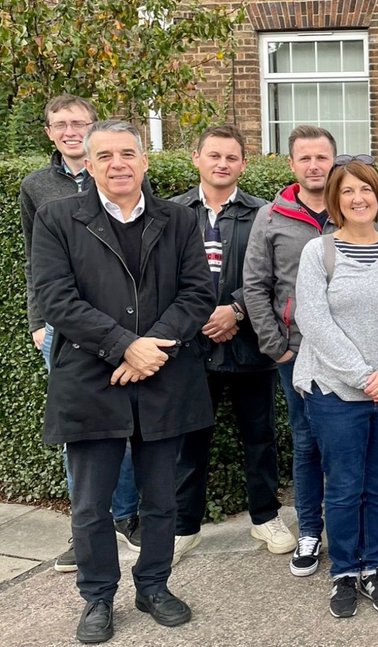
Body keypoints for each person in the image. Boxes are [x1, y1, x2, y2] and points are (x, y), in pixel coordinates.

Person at [31, 120, 214, 644]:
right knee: (91, 504)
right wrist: (123, 345)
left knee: (161, 499)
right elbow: (56, 299)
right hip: (90, 380)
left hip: (163, 378)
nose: (118, 164)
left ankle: (153, 586)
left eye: (128, 153)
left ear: (145, 160)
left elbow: (198, 293)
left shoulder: (177, 219)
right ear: (89, 164)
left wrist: (149, 349)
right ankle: (97, 598)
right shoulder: (58, 218)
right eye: (105, 155)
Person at [293, 158, 378, 618]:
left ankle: (375, 568)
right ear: (336, 200)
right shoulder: (319, 253)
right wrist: (362, 375)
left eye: (365, 190)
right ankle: (344, 572)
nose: (358, 198)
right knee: (345, 485)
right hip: (335, 391)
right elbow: (313, 320)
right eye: (348, 191)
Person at [20, 95, 142, 572]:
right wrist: (36, 321)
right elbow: (36, 262)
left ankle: (125, 516)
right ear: (50, 132)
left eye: (79, 123)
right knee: (83, 431)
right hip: (65, 328)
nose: (70, 131)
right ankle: (88, 526)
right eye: (61, 124)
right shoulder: (37, 187)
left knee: (129, 421)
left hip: (124, 328)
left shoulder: (123, 180)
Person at [169, 125, 295, 562]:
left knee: (259, 437)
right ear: (196, 158)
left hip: (249, 346)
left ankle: (264, 518)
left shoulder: (265, 213)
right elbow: (163, 278)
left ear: (244, 163)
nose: (222, 164)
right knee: (190, 440)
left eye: (231, 157)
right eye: (214, 155)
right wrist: (198, 315)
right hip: (190, 347)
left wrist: (235, 310)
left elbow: (274, 274)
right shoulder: (172, 212)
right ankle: (184, 526)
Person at [243, 125, 337, 577]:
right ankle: (309, 531)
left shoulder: (352, 208)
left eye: (322, 157)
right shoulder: (270, 217)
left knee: (345, 442)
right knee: (307, 441)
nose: (315, 165)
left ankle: (344, 529)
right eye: (306, 158)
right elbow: (256, 286)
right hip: (297, 353)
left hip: (349, 354)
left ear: (333, 161)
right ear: (292, 164)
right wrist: (275, 345)